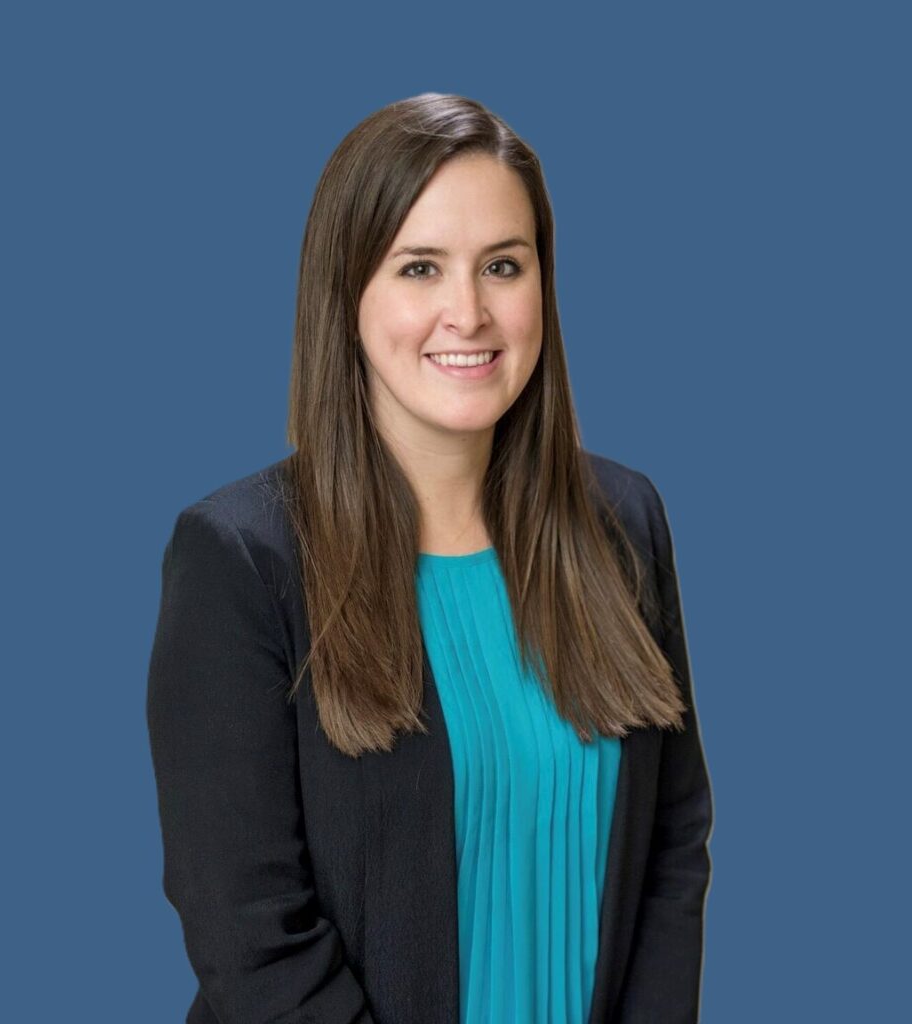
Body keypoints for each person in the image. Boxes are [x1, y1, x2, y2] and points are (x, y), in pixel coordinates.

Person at [146, 92, 713, 1024]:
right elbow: (251, 934)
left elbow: (671, 843)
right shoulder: (241, 562)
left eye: (503, 265)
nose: (470, 312)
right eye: (419, 268)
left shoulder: (625, 521)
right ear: (347, 293)